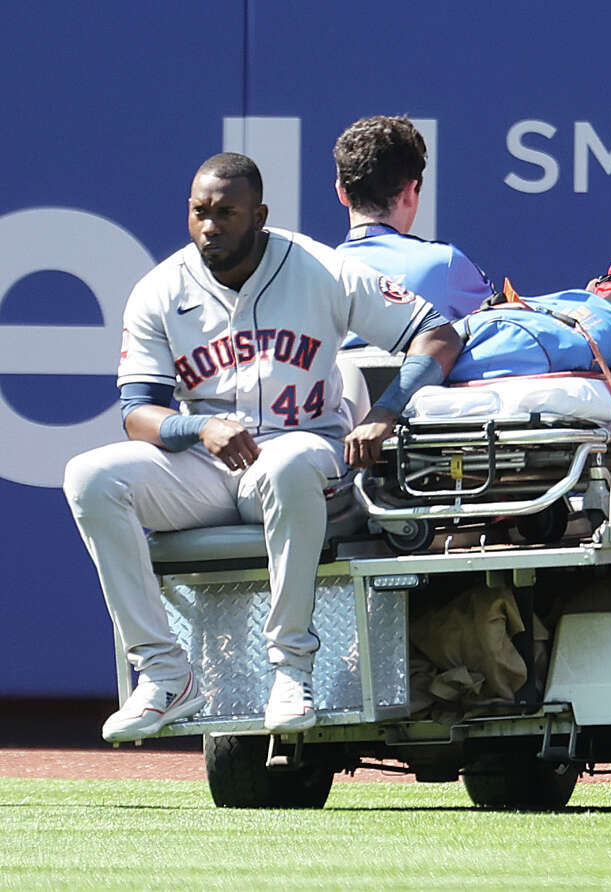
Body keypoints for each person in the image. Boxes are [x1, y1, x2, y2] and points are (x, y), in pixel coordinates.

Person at [62, 153, 461, 742]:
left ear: (260, 215)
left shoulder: (320, 268)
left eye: (227, 213)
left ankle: (291, 669)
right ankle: (164, 675)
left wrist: (383, 413)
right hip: (205, 465)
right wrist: (196, 428)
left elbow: (438, 333)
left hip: (303, 449)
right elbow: (137, 414)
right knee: (90, 476)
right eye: (200, 212)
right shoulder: (160, 288)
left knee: (290, 462)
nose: (210, 226)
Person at [333, 115, 493, 323]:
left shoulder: (310, 277)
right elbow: (504, 333)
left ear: (341, 193)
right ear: (410, 192)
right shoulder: (445, 264)